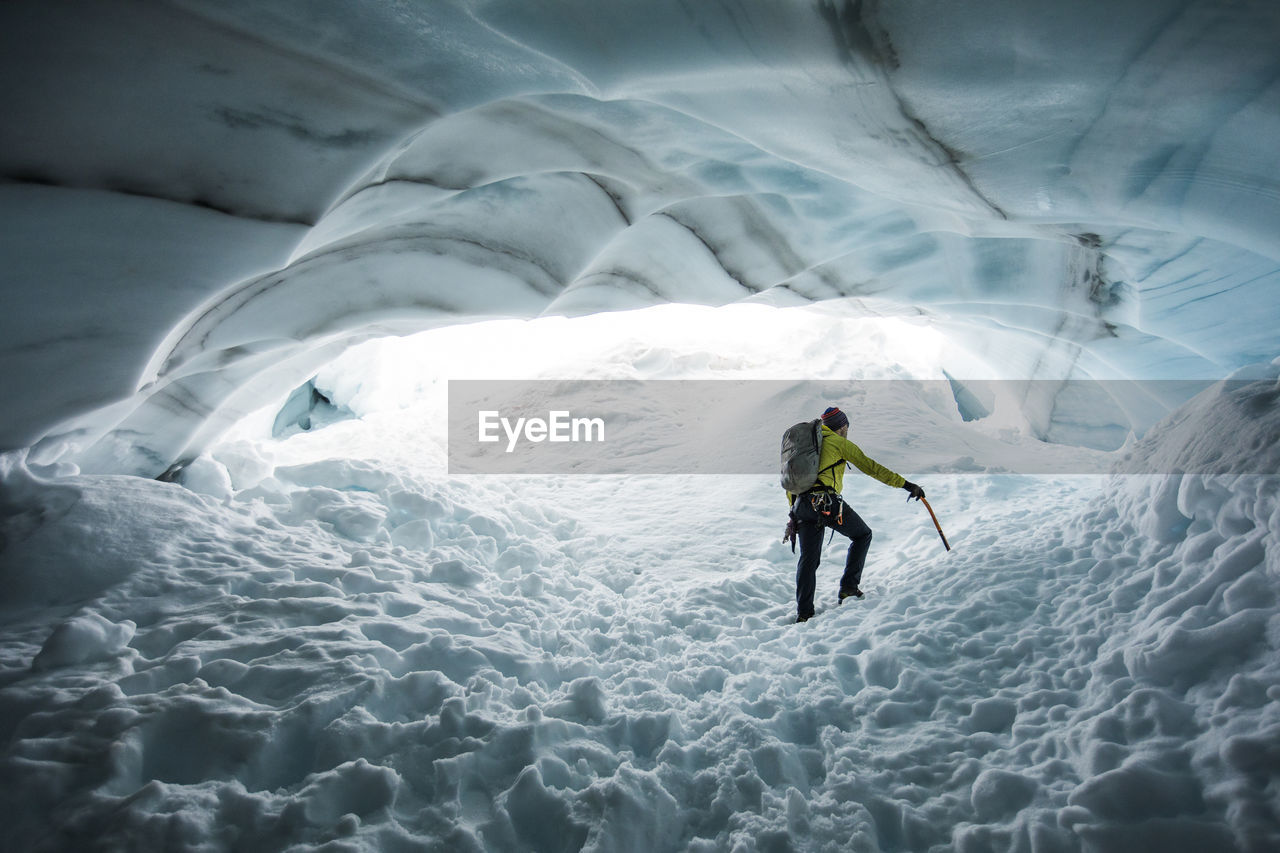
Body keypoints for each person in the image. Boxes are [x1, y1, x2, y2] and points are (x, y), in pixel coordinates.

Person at [784, 406, 925, 623]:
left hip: (801, 506)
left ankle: (804, 612)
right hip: (826, 502)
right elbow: (872, 467)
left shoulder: (806, 447)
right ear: (842, 427)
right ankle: (849, 588)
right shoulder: (839, 443)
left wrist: (794, 512)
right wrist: (906, 485)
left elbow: (792, 482)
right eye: (847, 427)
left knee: (808, 560)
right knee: (862, 535)